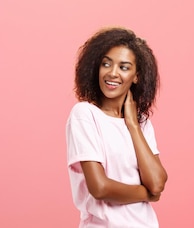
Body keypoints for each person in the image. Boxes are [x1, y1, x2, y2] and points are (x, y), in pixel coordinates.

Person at [66, 27, 168, 228]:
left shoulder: (142, 123)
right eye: (106, 64)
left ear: (136, 76)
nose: (112, 73)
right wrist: (148, 194)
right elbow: (100, 188)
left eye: (124, 67)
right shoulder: (85, 115)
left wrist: (132, 124)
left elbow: (157, 182)